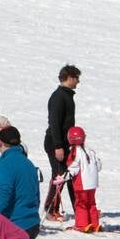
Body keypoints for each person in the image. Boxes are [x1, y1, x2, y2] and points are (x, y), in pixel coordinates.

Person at [42, 65, 80, 221]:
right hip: (55, 143)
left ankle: (79, 209)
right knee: (59, 175)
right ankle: (50, 209)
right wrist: (58, 146)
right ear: (69, 77)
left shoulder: (67, 95)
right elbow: (55, 123)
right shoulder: (59, 96)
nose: (78, 82)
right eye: (76, 78)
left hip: (64, 143)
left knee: (68, 175)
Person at [55, 125, 100, 232]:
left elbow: (73, 169)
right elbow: (99, 165)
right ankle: (94, 223)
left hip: (82, 184)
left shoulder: (74, 152)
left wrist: (62, 178)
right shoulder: (90, 151)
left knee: (81, 204)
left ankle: (82, 224)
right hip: (92, 184)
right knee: (91, 203)